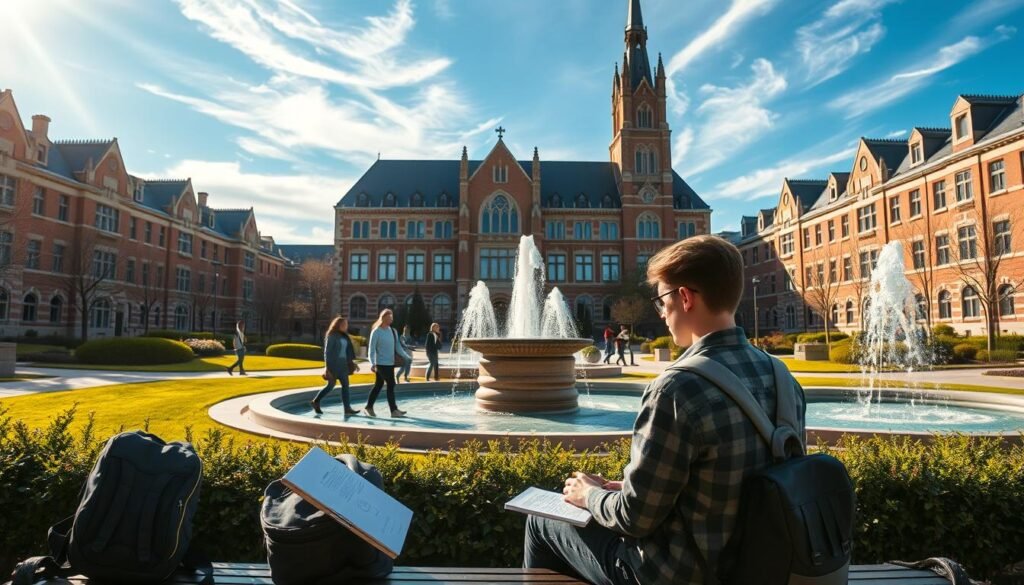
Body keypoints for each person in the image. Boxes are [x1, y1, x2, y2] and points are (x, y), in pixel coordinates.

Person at [523, 235, 807, 585]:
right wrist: (620, 490)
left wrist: (589, 495)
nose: (662, 313)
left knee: (541, 522)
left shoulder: (677, 389)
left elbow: (634, 519)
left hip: (678, 576)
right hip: (762, 569)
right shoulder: (782, 378)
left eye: (661, 300)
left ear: (685, 298)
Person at [365, 309, 412, 418]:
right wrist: (372, 363)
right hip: (380, 364)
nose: (391, 319)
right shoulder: (376, 331)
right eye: (389, 317)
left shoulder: (393, 331)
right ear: (384, 317)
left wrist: (406, 356)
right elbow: (371, 350)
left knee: (379, 385)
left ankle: (368, 407)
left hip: (390, 364)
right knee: (391, 384)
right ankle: (393, 410)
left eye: (392, 317)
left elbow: (397, 347)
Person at [311, 316, 360, 416]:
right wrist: (327, 368)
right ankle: (316, 401)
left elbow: (346, 352)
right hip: (333, 365)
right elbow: (327, 353)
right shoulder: (332, 336)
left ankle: (347, 408)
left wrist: (352, 363)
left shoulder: (344, 336)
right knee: (330, 386)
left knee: (346, 386)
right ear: (338, 325)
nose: (346, 326)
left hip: (343, 366)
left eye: (346, 324)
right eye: (343, 324)